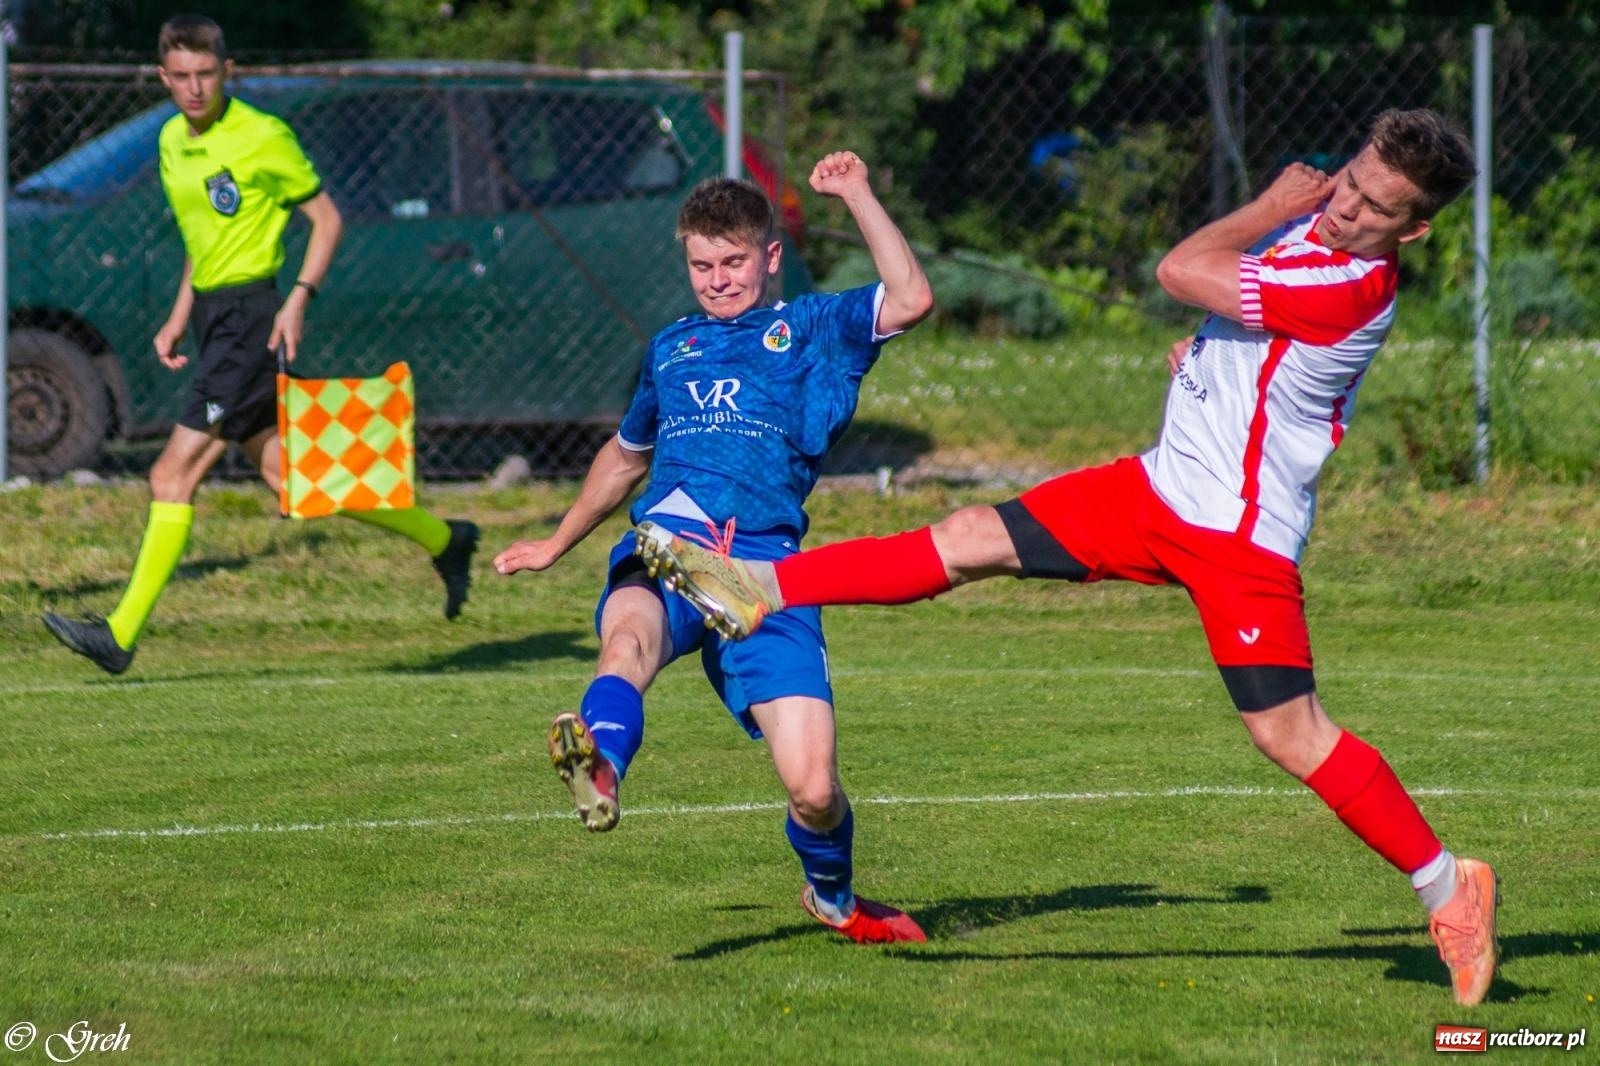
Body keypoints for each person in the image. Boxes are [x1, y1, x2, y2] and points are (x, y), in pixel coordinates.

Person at [637, 109, 1501, 1004]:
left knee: (1288, 733)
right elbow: (1243, 316)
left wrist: (1265, 205)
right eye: (1351, 178)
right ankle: (764, 586)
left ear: (1413, 229)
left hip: (1238, 536)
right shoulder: (1312, 239)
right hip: (1157, 490)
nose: (1347, 205)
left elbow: (1180, 270)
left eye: (1375, 206)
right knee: (970, 536)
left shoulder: (1352, 284)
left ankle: (1450, 887)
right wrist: (1213, 354)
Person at [492, 152, 934, 943]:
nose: (719, 279)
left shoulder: (812, 331)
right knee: (625, 639)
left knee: (813, 788)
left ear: (769, 257)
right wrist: (557, 542)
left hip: (764, 570)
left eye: (734, 262)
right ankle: (601, 768)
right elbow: (627, 456)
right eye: (702, 265)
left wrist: (859, 192)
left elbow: (912, 296)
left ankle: (832, 894)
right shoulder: (672, 347)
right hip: (668, 541)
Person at [41, 14, 478, 675]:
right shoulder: (168, 142)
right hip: (216, 318)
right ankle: (447, 539)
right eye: (181, 77)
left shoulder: (262, 136)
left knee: (169, 474)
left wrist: (299, 297)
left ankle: (120, 634)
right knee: (289, 474)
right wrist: (178, 316)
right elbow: (201, 242)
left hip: (252, 321)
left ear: (227, 71)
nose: (194, 89)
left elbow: (327, 219)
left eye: (206, 75)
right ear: (163, 76)